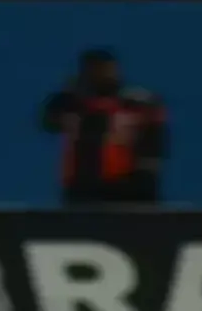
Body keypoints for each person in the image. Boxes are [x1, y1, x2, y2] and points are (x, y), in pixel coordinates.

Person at [42, 48, 168, 206]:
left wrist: (147, 178)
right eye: (94, 69)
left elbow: (155, 139)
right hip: (83, 186)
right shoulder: (70, 102)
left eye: (106, 68)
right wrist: (71, 93)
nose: (102, 74)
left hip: (129, 185)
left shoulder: (138, 102)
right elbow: (49, 122)